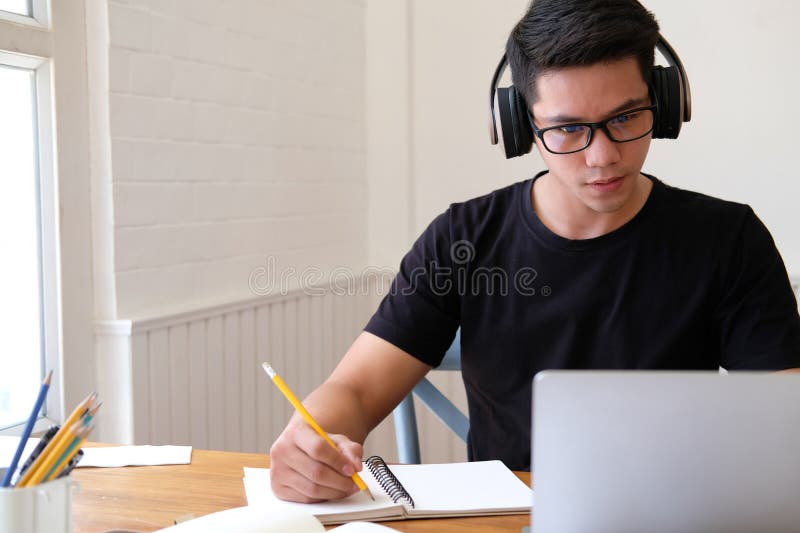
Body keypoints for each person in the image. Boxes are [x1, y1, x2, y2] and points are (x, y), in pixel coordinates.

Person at [269, 0, 800, 503]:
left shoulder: (729, 239)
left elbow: (784, 420)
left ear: (662, 105)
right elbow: (356, 390)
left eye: (625, 118)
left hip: (674, 514)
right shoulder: (463, 239)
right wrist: (311, 444)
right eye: (568, 128)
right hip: (506, 521)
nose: (602, 156)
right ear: (522, 126)